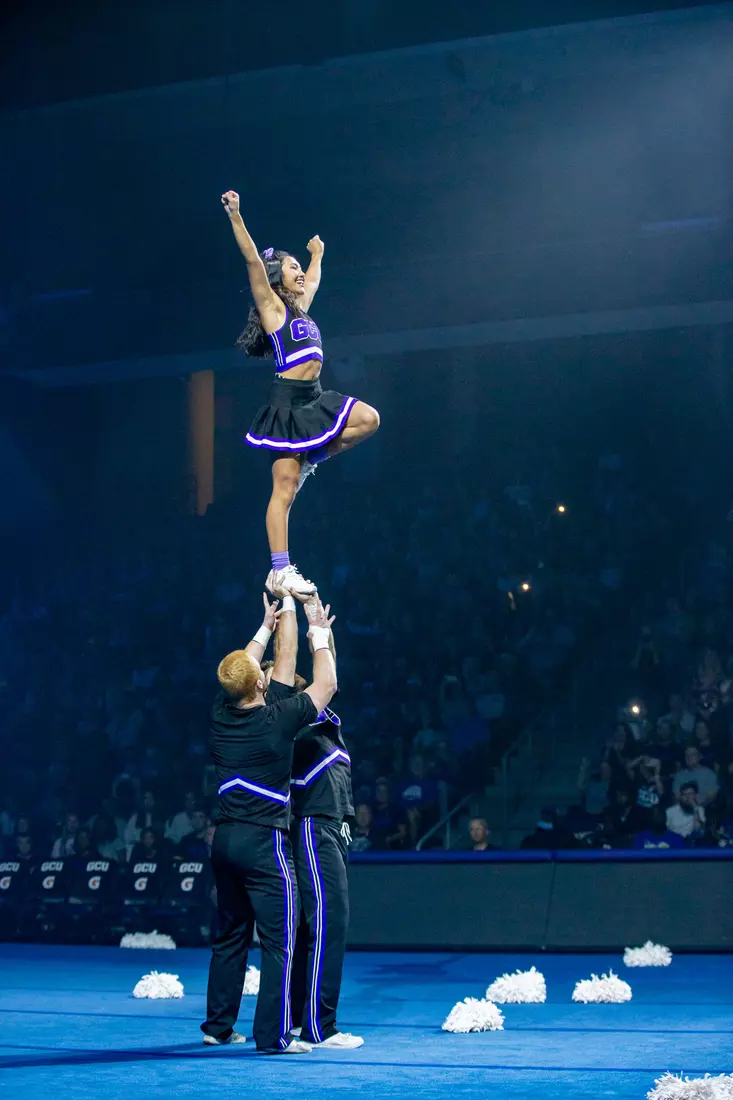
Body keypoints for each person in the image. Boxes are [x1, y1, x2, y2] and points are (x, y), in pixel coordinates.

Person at [220, 190, 380, 596]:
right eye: (293, 267)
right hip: (288, 403)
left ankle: (313, 455)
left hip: (315, 396)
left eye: (299, 269)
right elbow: (254, 261)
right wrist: (237, 215)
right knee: (284, 490)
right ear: (279, 278)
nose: (300, 273)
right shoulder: (274, 308)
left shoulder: (302, 305)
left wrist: (317, 256)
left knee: (368, 419)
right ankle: (279, 569)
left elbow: (315, 280)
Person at [201, 592, 337, 1054]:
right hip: (263, 844)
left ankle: (217, 1026)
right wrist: (319, 629)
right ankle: (274, 1035)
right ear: (260, 685)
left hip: (224, 841)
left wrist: (265, 626)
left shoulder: (222, 715)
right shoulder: (279, 720)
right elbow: (327, 686)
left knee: (230, 935)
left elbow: (244, 668)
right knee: (278, 942)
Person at [262, 595, 363, 1050]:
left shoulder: (322, 722)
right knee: (326, 921)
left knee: (323, 923)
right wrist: (299, 620)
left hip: (333, 827)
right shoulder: (285, 721)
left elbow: (330, 676)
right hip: (311, 825)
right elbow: (318, 679)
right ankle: (320, 1027)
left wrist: (320, 626)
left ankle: (310, 1021)